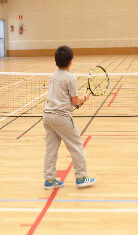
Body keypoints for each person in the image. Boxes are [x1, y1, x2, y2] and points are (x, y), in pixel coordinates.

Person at [43, 45, 96, 190]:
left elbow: (63, 99)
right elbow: (75, 100)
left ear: (56, 61)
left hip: (47, 116)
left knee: (50, 150)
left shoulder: (52, 76)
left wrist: (76, 103)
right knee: (76, 146)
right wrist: (84, 98)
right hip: (62, 117)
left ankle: (49, 180)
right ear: (71, 61)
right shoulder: (71, 77)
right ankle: (81, 177)